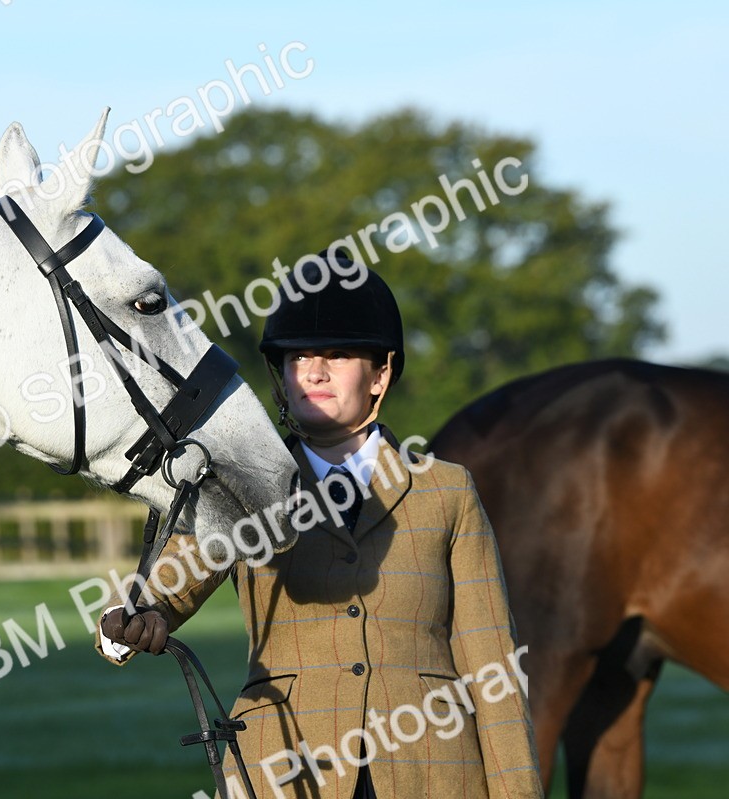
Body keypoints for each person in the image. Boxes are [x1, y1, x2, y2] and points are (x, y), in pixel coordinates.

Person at [97, 252, 543, 798]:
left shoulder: (448, 492)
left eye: (338, 355)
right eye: (299, 357)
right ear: (280, 378)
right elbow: (166, 590)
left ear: (381, 374)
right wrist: (129, 622)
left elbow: (491, 665)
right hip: (285, 767)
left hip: (434, 771)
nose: (314, 370)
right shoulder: (238, 486)